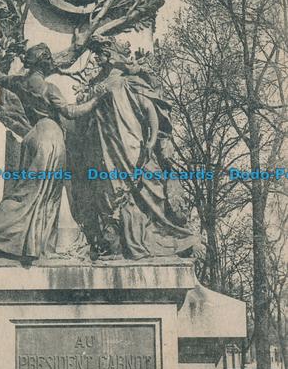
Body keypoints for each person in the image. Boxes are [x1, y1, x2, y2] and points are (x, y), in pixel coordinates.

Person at [0, 43, 106, 260]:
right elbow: (70, 111)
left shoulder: (19, 82)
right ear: (45, 62)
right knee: (45, 196)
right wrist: (95, 101)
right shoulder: (48, 88)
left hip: (33, 137)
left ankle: (27, 246)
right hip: (51, 139)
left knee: (26, 190)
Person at [67, 37, 198, 259]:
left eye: (103, 53)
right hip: (103, 146)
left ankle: (143, 239)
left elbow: (149, 110)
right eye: (99, 53)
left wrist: (151, 139)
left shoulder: (128, 81)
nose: (99, 57)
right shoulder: (97, 84)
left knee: (137, 191)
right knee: (107, 191)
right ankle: (115, 243)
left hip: (130, 145)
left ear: (112, 56)